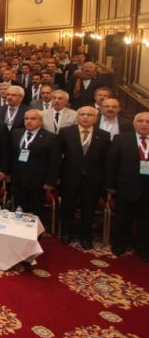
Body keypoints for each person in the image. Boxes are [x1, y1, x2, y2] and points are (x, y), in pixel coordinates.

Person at [58, 106, 110, 249]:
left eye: (89, 115)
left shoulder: (104, 135)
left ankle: (85, 236)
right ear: (77, 116)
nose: (85, 117)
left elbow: (106, 160)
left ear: (96, 118)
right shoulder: (66, 132)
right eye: (82, 114)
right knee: (68, 207)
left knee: (89, 209)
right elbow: (57, 155)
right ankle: (66, 233)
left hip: (93, 180)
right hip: (70, 177)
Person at [106, 112, 149, 260]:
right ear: (134, 123)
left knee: (146, 220)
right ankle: (120, 244)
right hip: (126, 186)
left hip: (148, 189)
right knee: (123, 218)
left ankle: (143, 246)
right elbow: (111, 163)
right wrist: (111, 185)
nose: (144, 124)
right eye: (141, 121)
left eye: (148, 121)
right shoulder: (121, 139)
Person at [9, 109, 60, 220]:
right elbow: (11, 154)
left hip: (38, 180)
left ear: (40, 121)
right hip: (18, 178)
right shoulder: (16, 133)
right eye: (26, 118)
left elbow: (54, 162)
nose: (29, 121)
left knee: (35, 209)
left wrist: (50, 181)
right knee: (19, 207)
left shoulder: (50, 137)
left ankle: (36, 228)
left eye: (33, 119)